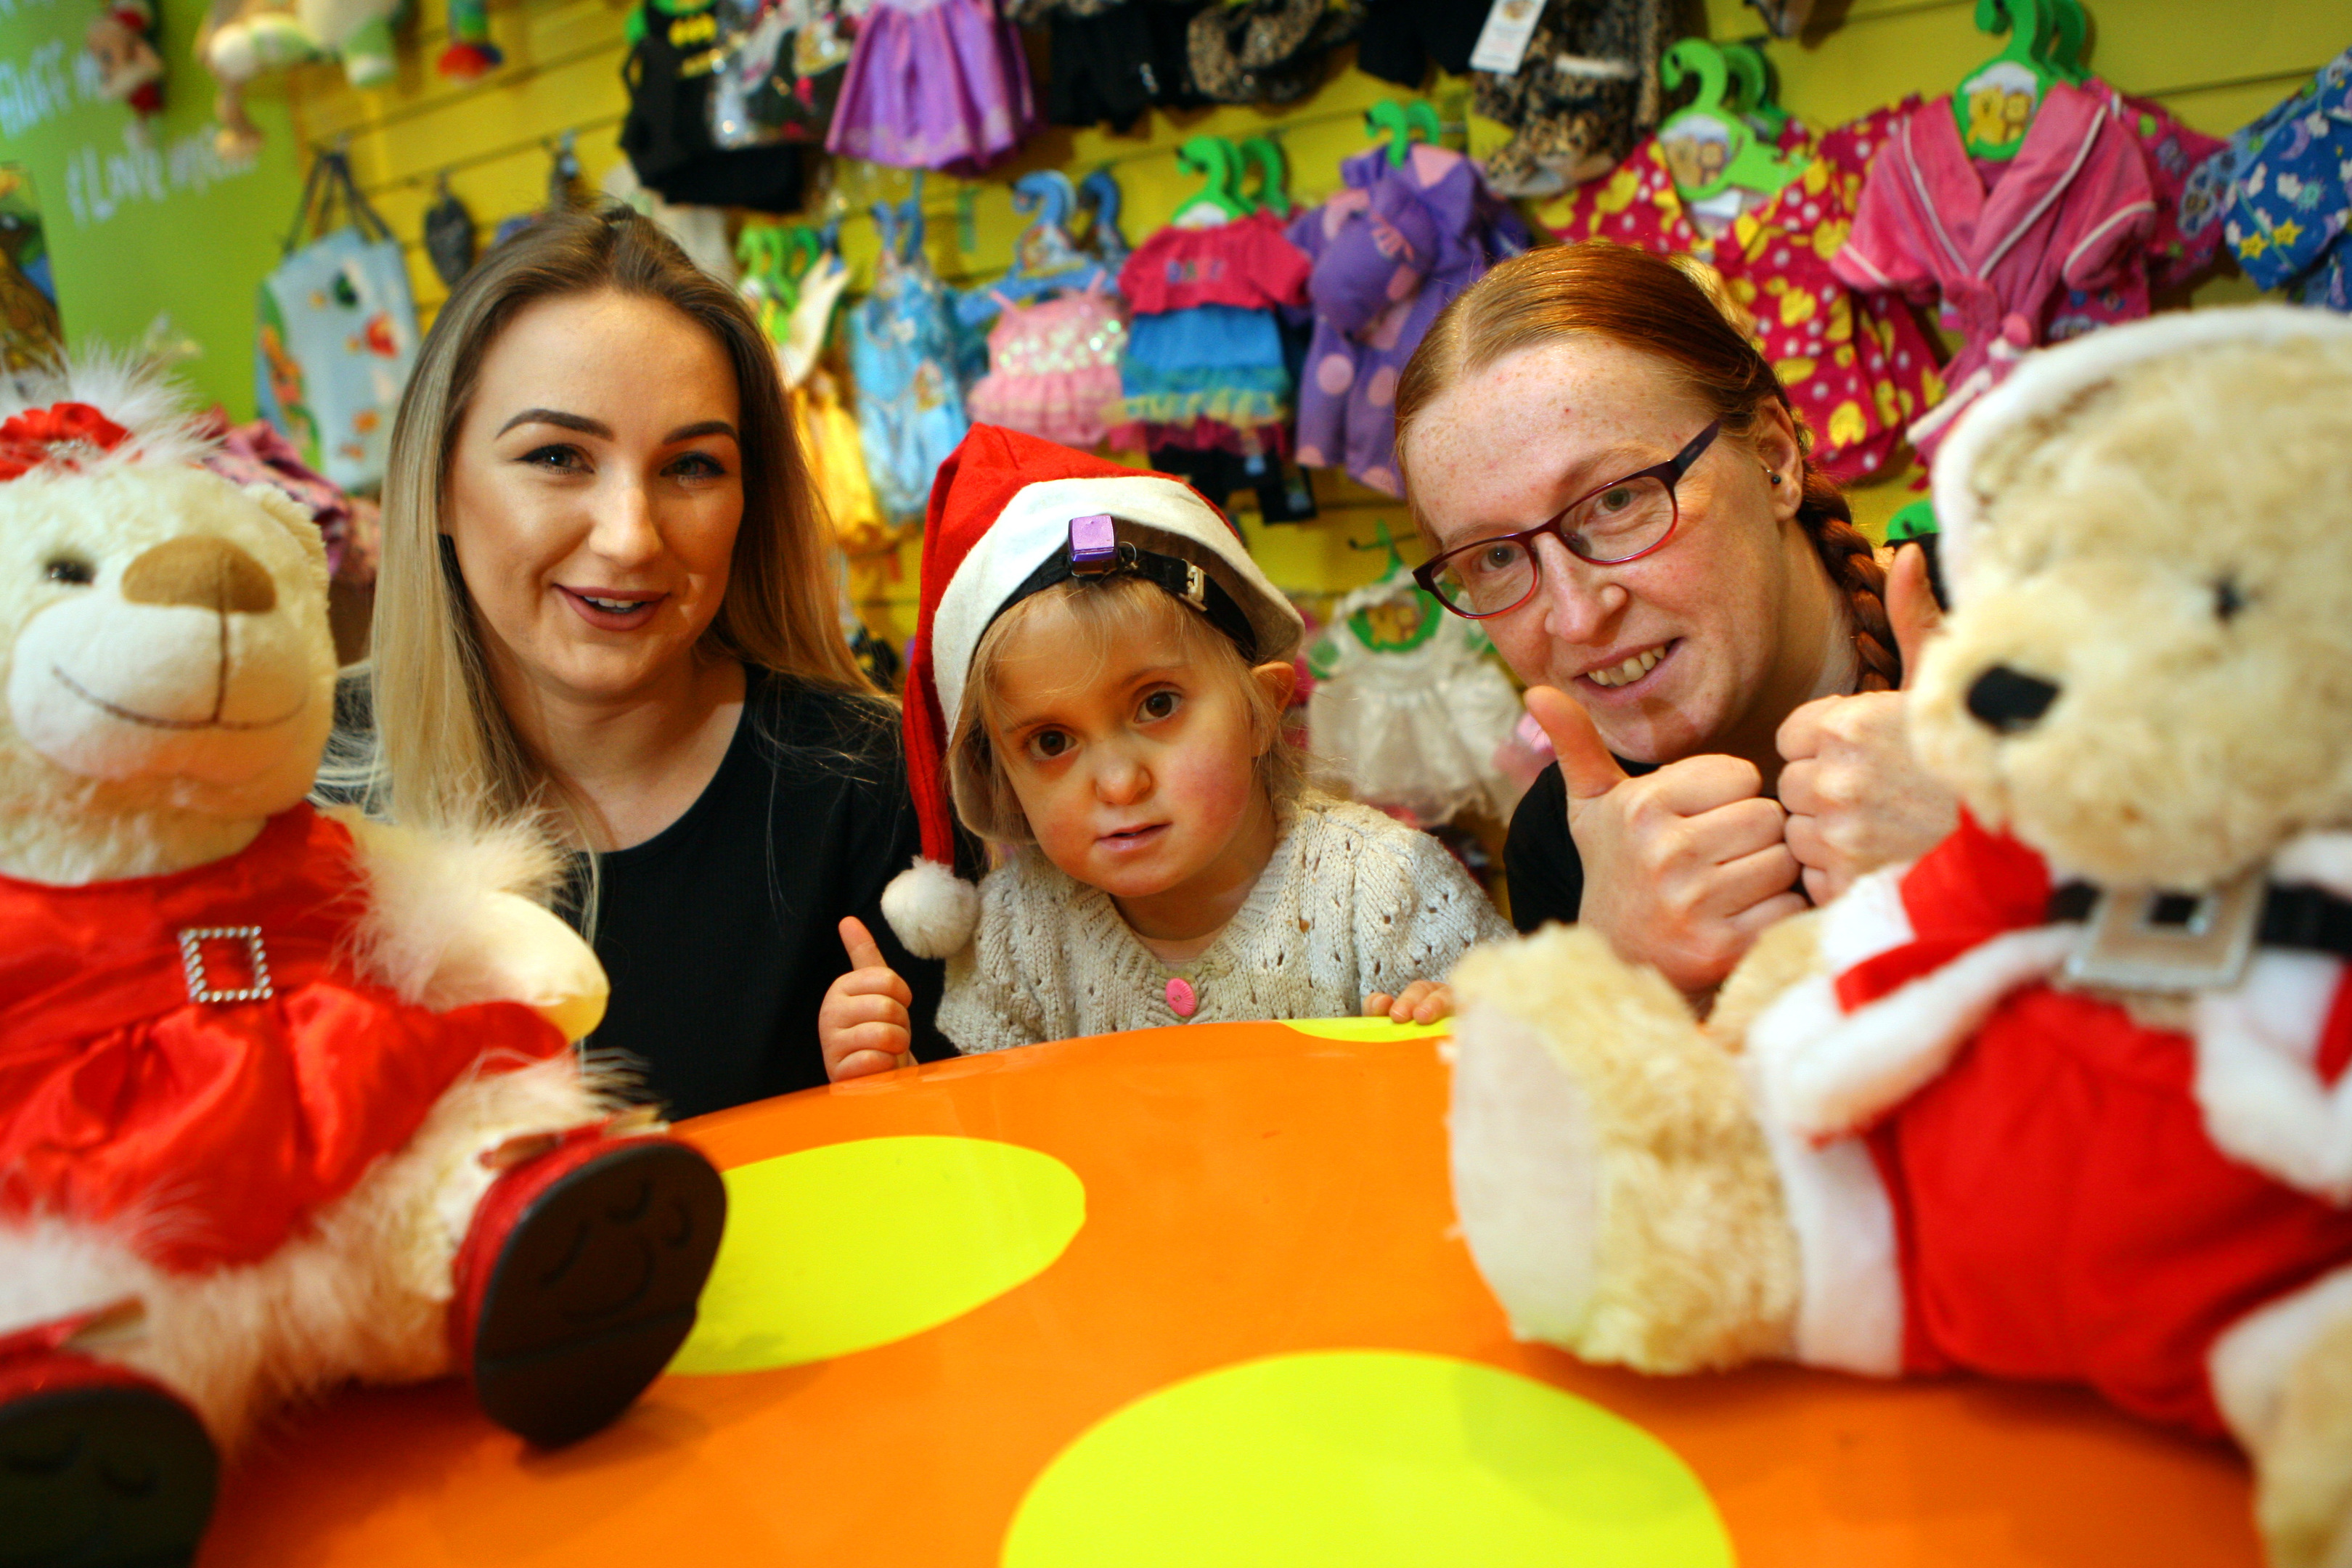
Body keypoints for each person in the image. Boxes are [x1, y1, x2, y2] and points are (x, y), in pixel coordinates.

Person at [351, 204, 952, 1117]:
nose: (631, 539)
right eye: (558, 456)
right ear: (435, 482)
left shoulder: (872, 787)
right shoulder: (294, 794)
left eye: (692, 467)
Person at [818, 425, 1509, 1077]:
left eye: (1157, 704)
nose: (1118, 783)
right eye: (1051, 742)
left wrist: (1474, 1038)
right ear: (1000, 778)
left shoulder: (1392, 889)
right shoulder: (1014, 931)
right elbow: (997, 1145)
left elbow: (1545, 1079)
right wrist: (903, 1087)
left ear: (1263, 710)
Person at [1393, 243, 1954, 1003]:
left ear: (1774, 457)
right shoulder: (1575, 843)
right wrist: (1619, 999)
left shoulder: (2055, 634)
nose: (1578, 616)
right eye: (1493, 557)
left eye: (1618, 501)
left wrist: (2002, 864)